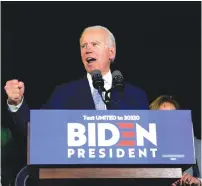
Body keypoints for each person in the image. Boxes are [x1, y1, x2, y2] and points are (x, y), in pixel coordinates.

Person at [4, 26, 149, 185]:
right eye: (83, 46)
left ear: (111, 53)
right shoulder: (64, 94)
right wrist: (17, 104)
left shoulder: (136, 96)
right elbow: (36, 131)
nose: (88, 50)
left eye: (94, 44)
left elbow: (151, 143)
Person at [150, 95, 201, 186]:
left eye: (173, 115)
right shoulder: (143, 150)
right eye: (163, 116)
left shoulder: (198, 146)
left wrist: (199, 181)